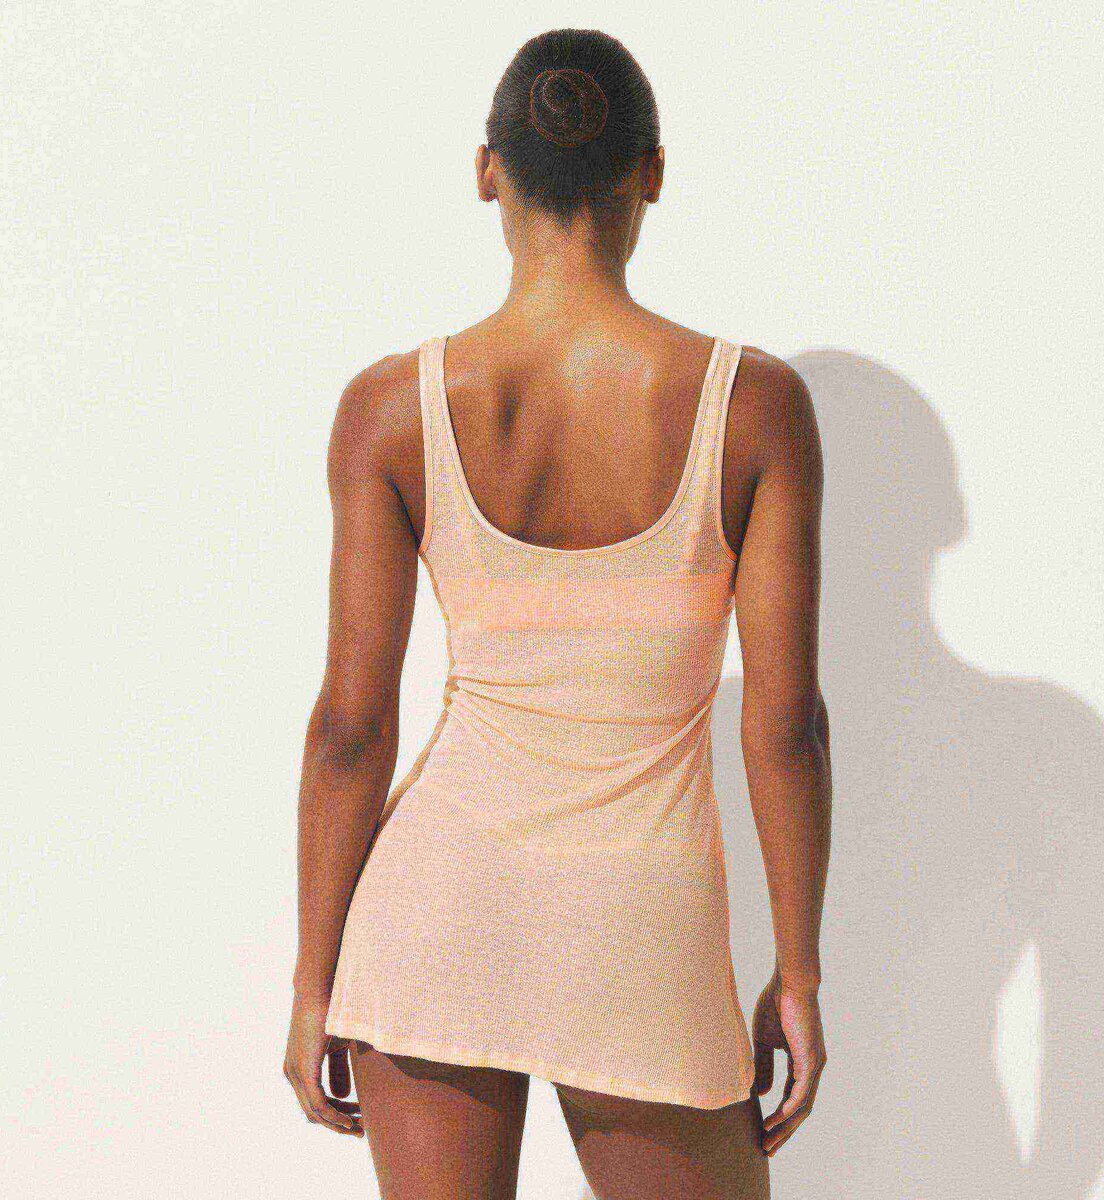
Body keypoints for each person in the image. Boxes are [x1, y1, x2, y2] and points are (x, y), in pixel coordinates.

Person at [283, 27, 832, 1200]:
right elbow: (786, 727)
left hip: (439, 905)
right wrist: (799, 973)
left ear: (489, 170)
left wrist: (313, 979)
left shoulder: (391, 409)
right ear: (653, 172)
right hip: (639, 918)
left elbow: (348, 728)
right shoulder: (753, 407)